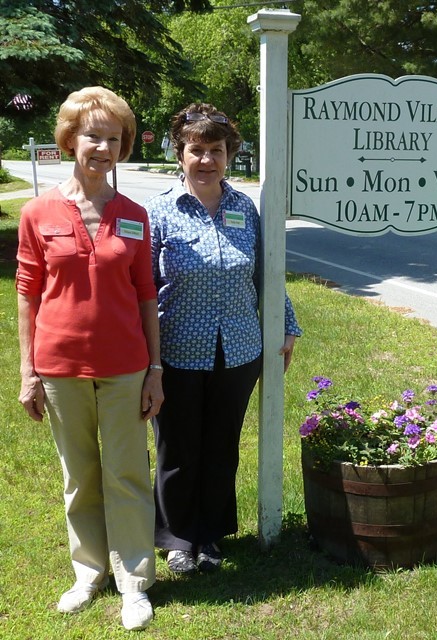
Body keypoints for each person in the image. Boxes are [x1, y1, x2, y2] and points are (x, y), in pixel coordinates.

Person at [16, 87, 162, 630]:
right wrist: (28, 371)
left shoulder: (133, 215)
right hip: (59, 365)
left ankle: (134, 582)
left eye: (113, 138)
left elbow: (146, 291)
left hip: (126, 364)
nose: (102, 146)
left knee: (127, 473)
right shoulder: (39, 212)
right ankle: (89, 572)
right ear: (70, 140)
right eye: (92, 135)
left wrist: (155, 369)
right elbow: (28, 293)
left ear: (123, 146)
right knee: (79, 476)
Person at [146, 103, 302, 574]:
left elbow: (265, 273)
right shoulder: (158, 212)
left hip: (238, 350)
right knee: (177, 449)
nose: (206, 160)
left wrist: (287, 324)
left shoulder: (244, 208)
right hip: (175, 352)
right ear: (180, 153)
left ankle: (210, 537)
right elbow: (143, 288)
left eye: (216, 150)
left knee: (220, 447)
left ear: (229, 154)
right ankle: (177, 538)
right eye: (197, 150)